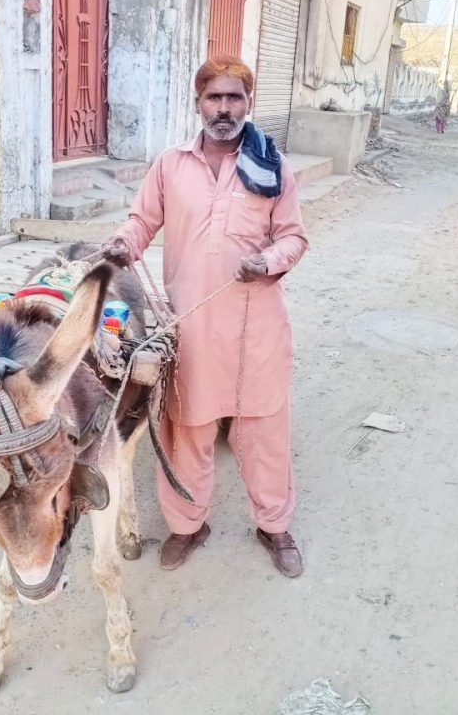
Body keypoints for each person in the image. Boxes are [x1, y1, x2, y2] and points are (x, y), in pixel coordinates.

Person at [101, 55, 308, 578]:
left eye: (234, 97)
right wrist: (125, 243)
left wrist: (268, 260)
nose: (224, 108)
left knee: (262, 428)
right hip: (188, 325)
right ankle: (188, 527)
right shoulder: (171, 164)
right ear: (198, 104)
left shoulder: (272, 165)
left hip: (255, 323)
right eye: (214, 97)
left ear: (248, 103)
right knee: (186, 427)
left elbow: (294, 236)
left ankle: (274, 526)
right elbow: (141, 219)